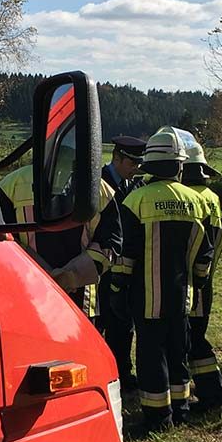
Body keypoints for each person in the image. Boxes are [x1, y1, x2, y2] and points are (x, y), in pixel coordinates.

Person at [110, 129, 213, 432]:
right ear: (179, 165)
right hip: (183, 296)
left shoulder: (135, 201)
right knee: (177, 351)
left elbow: (125, 255)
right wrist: (198, 283)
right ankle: (180, 410)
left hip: (147, 297)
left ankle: (158, 417)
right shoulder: (195, 201)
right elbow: (203, 256)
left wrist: (117, 287)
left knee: (151, 355)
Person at [0, 162, 122, 320]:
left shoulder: (12, 184)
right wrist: (70, 276)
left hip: (26, 296)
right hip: (78, 299)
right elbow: (110, 246)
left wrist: (44, 275)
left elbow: (1, 243)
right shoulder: (99, 188)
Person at [181, 137, 222, 413]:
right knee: (196, 334)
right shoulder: (212, 197)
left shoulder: (190, 198)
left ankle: (211, 394)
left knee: (192, 338)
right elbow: (217, 242)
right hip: (204, 278)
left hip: (187, 280)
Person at [99, 136, 146, 387]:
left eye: (139, 162)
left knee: (123, 321)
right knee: (100, 320)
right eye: (132, 162)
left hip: (125, 265)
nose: (136, 167)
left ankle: (122, 371)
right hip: (102, 264)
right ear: (116, 157)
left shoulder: (135, 186)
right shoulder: (97, 182)